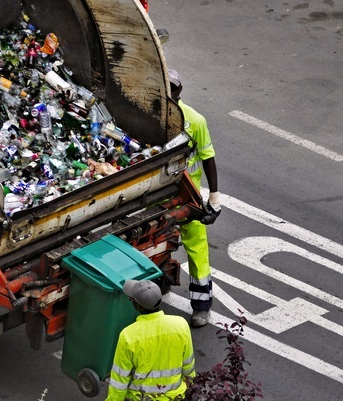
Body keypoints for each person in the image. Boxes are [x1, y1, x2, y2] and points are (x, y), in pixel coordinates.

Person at [168, 69, 221, 328]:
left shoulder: (195, 120)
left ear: (180, 90)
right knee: (155, 241)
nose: (169, 92)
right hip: (158, 193)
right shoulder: (149, 115)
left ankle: (202, 307)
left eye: (173, 87)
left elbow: (208, 157)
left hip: (187, 195)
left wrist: (214, 196)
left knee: (197, 250)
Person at [106, 280, 196, 401]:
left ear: (137, 305)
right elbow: (188, 365)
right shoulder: (180, 325)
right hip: (176, 396)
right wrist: (190, 387)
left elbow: (120, 379)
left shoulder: (128, 336)